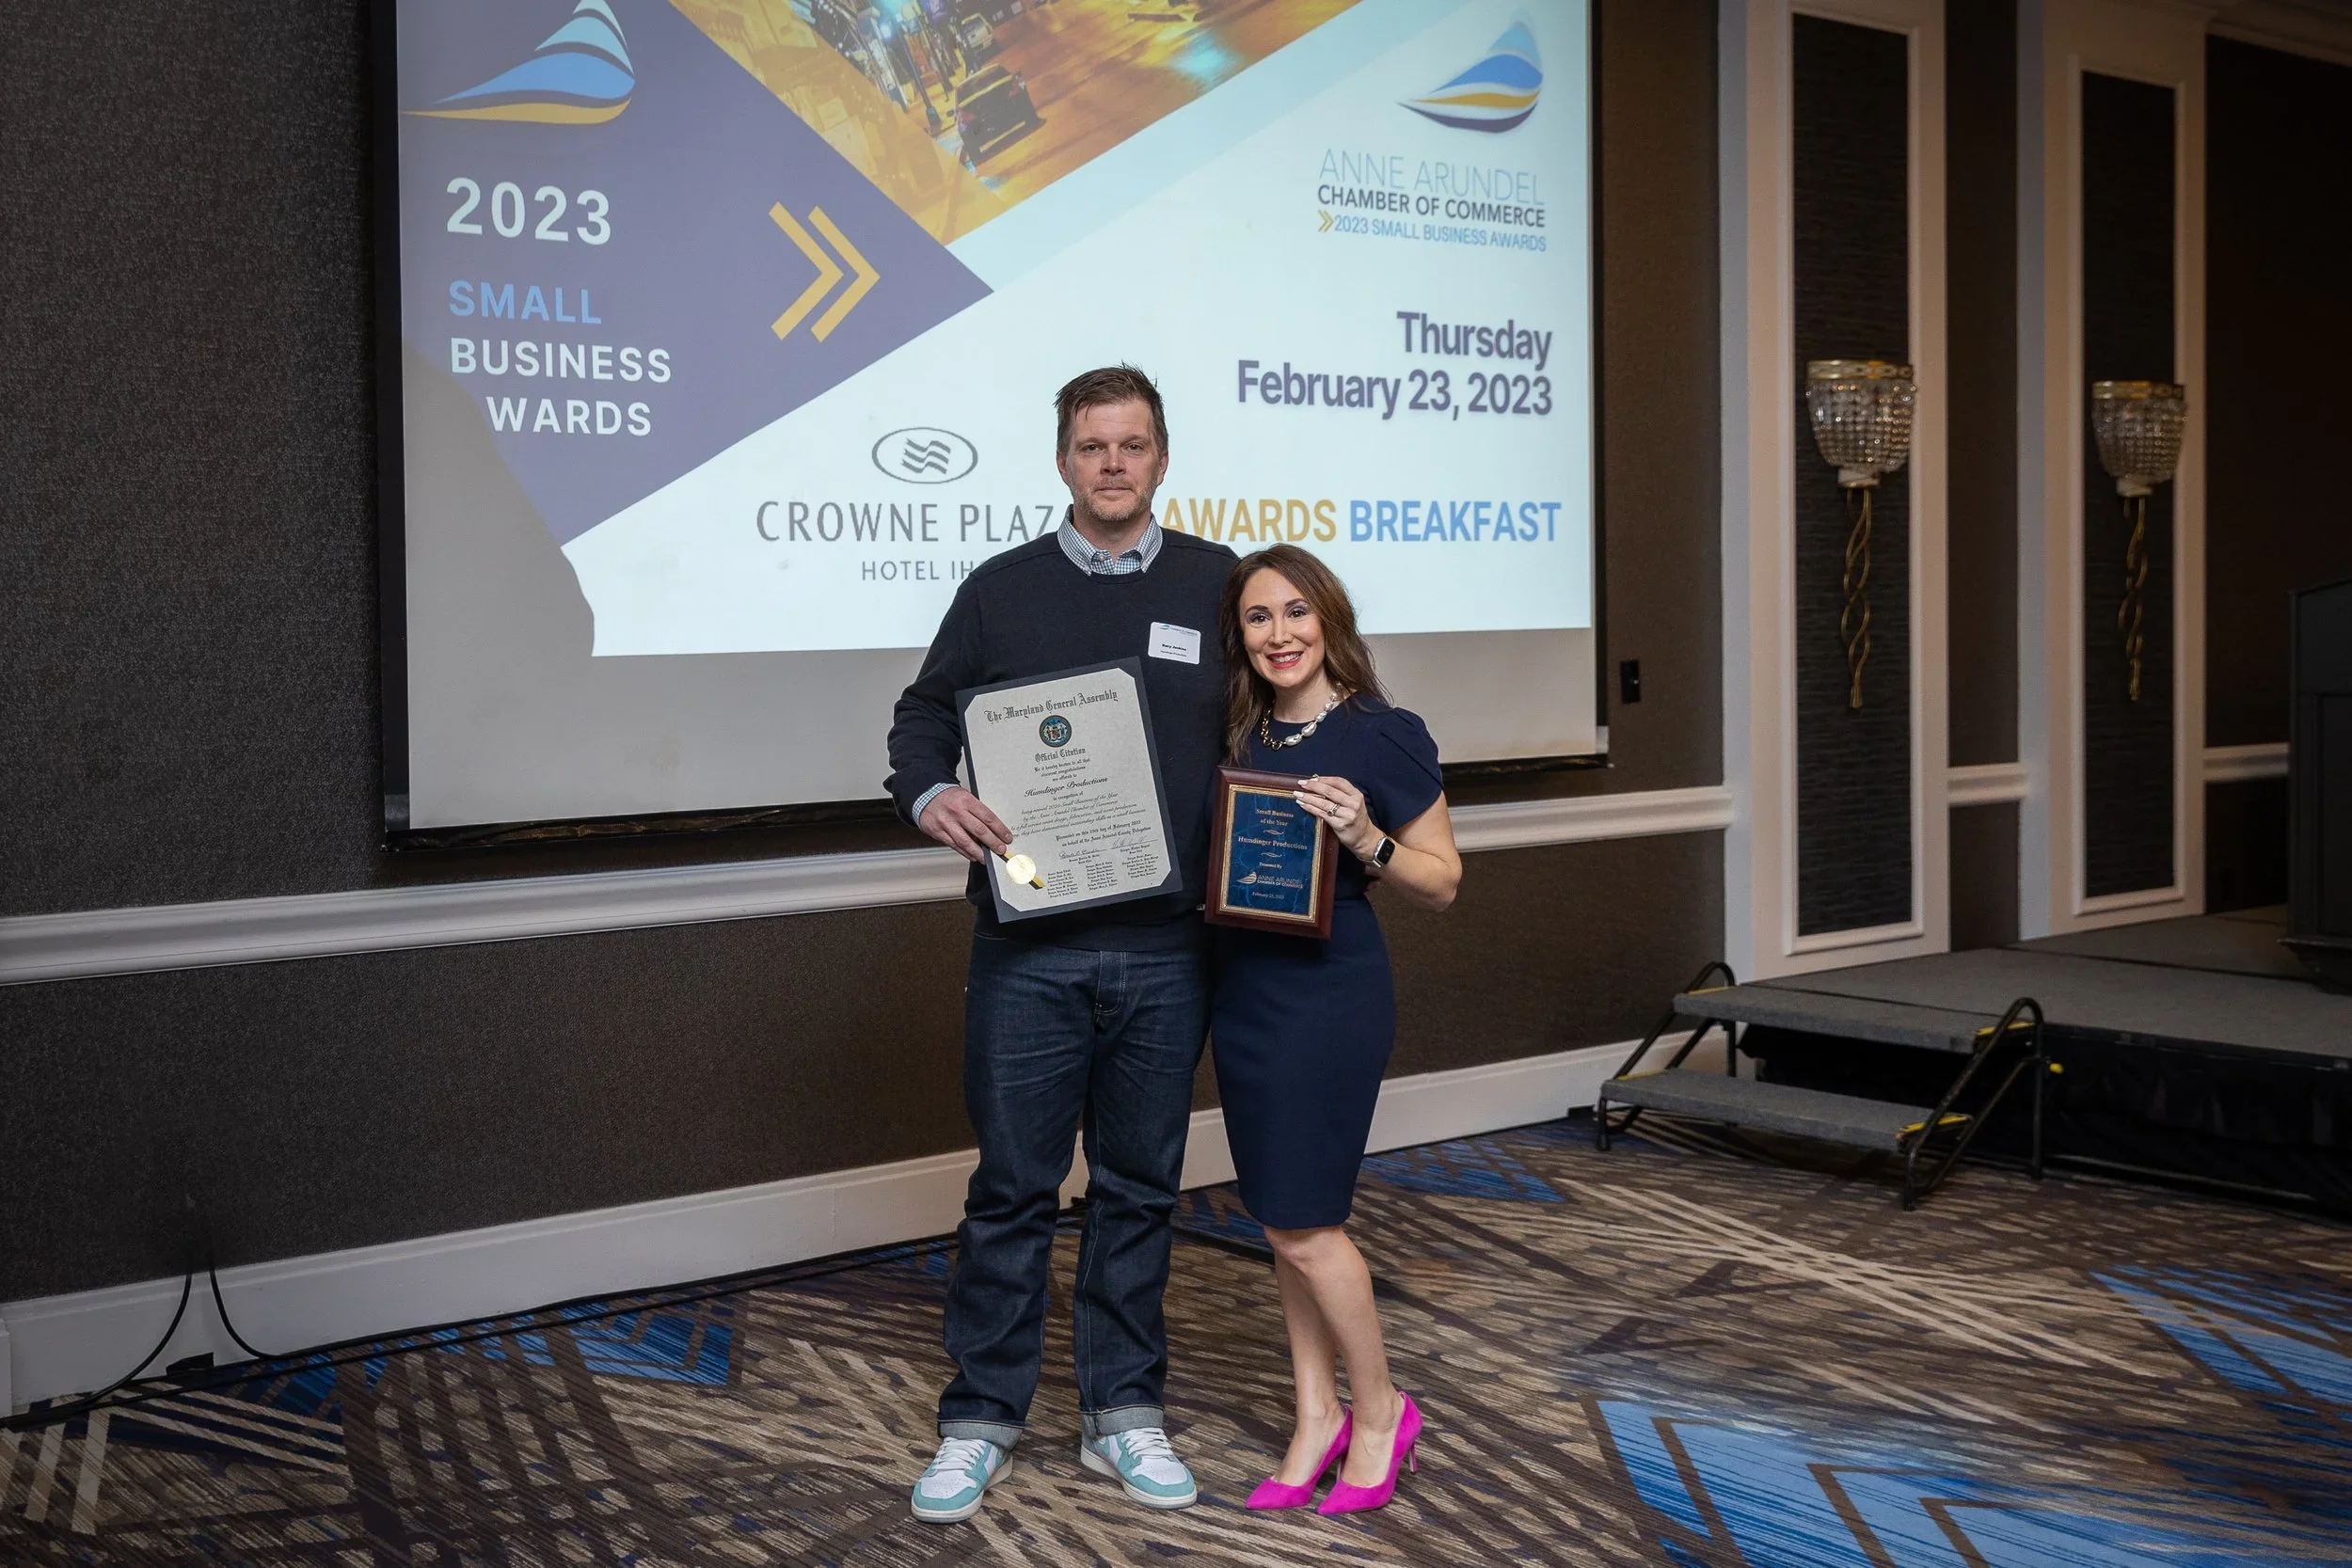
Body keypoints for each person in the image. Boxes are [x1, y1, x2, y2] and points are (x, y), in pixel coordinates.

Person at [884, 366, 1237, 1524]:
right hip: (1028, 944)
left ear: (1162, 457)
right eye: (1093, 446)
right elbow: (923, 712)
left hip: (1167, 947)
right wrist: (931, 790)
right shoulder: (1002, 589)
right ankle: (980, 1417)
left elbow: (1279, 705)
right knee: (1011, 1191)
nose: (1114, 464)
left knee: (1138, 1189)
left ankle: (1121, 1411)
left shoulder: (1218, 584)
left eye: (1133, 445)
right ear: (1062, 460)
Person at [1209, 544, 1462, 1515]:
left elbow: (1442, 880)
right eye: (1259, 617)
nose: (1280, 634)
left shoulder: (1381, 735)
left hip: (1330, 995)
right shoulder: (1237, 736)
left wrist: (1368, 837)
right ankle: (1314, 1412)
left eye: (1296, 612)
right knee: (1280, 1216)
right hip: (1244, 994)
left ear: (1330, 620)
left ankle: (1383, 1409)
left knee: (1309, 1222)